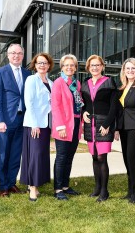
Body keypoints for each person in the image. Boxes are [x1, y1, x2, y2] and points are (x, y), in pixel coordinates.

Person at [0, 43, 30, 197]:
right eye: (13, 53)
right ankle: (3, 186)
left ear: (22, 55)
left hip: (23, 120)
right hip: (6, 121)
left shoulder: (28, 74)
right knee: (4, 154)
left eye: (19, 53)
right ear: (8, 55)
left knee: (16, 154)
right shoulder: (1, 72)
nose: (16, 56)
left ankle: (12, 182)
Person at [81, 55, 117, 202]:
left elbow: (114, 106)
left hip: (104, 124)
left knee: (102, 157)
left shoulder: (109, 82)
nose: (94, 68)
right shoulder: (85, 83)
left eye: (97, 65)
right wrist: (83, 112)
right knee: (94, 157)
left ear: (102, 66)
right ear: (88, 68)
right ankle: (96, 188)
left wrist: (107, 124)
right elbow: (83, 103)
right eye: (92, 65)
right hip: (90, 124)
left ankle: (104, 191)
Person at [20, 53, 54, 202]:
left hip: (46, 124)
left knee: (40, 155)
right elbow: (29, 102)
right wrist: (34, 124)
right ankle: (32, 188)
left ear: (49, 65)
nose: (42, 65)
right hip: (34, 124)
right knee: (35, 155)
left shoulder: (51, 82)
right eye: (39, 63)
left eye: (45, 63)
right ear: (34, 65)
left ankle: (33, 184)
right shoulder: (31, 79)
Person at [114, 58, 135, 204]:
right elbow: (117, 110)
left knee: (134, 161)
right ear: (124, 71)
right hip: (123, 127)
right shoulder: (122, 87)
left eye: (133, 68)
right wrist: (116, 128)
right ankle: (130, 191)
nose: (130, 71)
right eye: (127, 69)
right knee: (127, 160)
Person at [51, 54, 83, 201]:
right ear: (62, 67)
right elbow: (55, 106)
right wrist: (60, 127)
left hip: (76, 124)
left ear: (75, 68)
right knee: (61, 157)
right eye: (66, 65)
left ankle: (65, 185)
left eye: (72, 65)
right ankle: (58, 189)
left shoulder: (77, 83)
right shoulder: (58, 83)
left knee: (69, 157)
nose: (69, 67)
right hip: (63, 125)